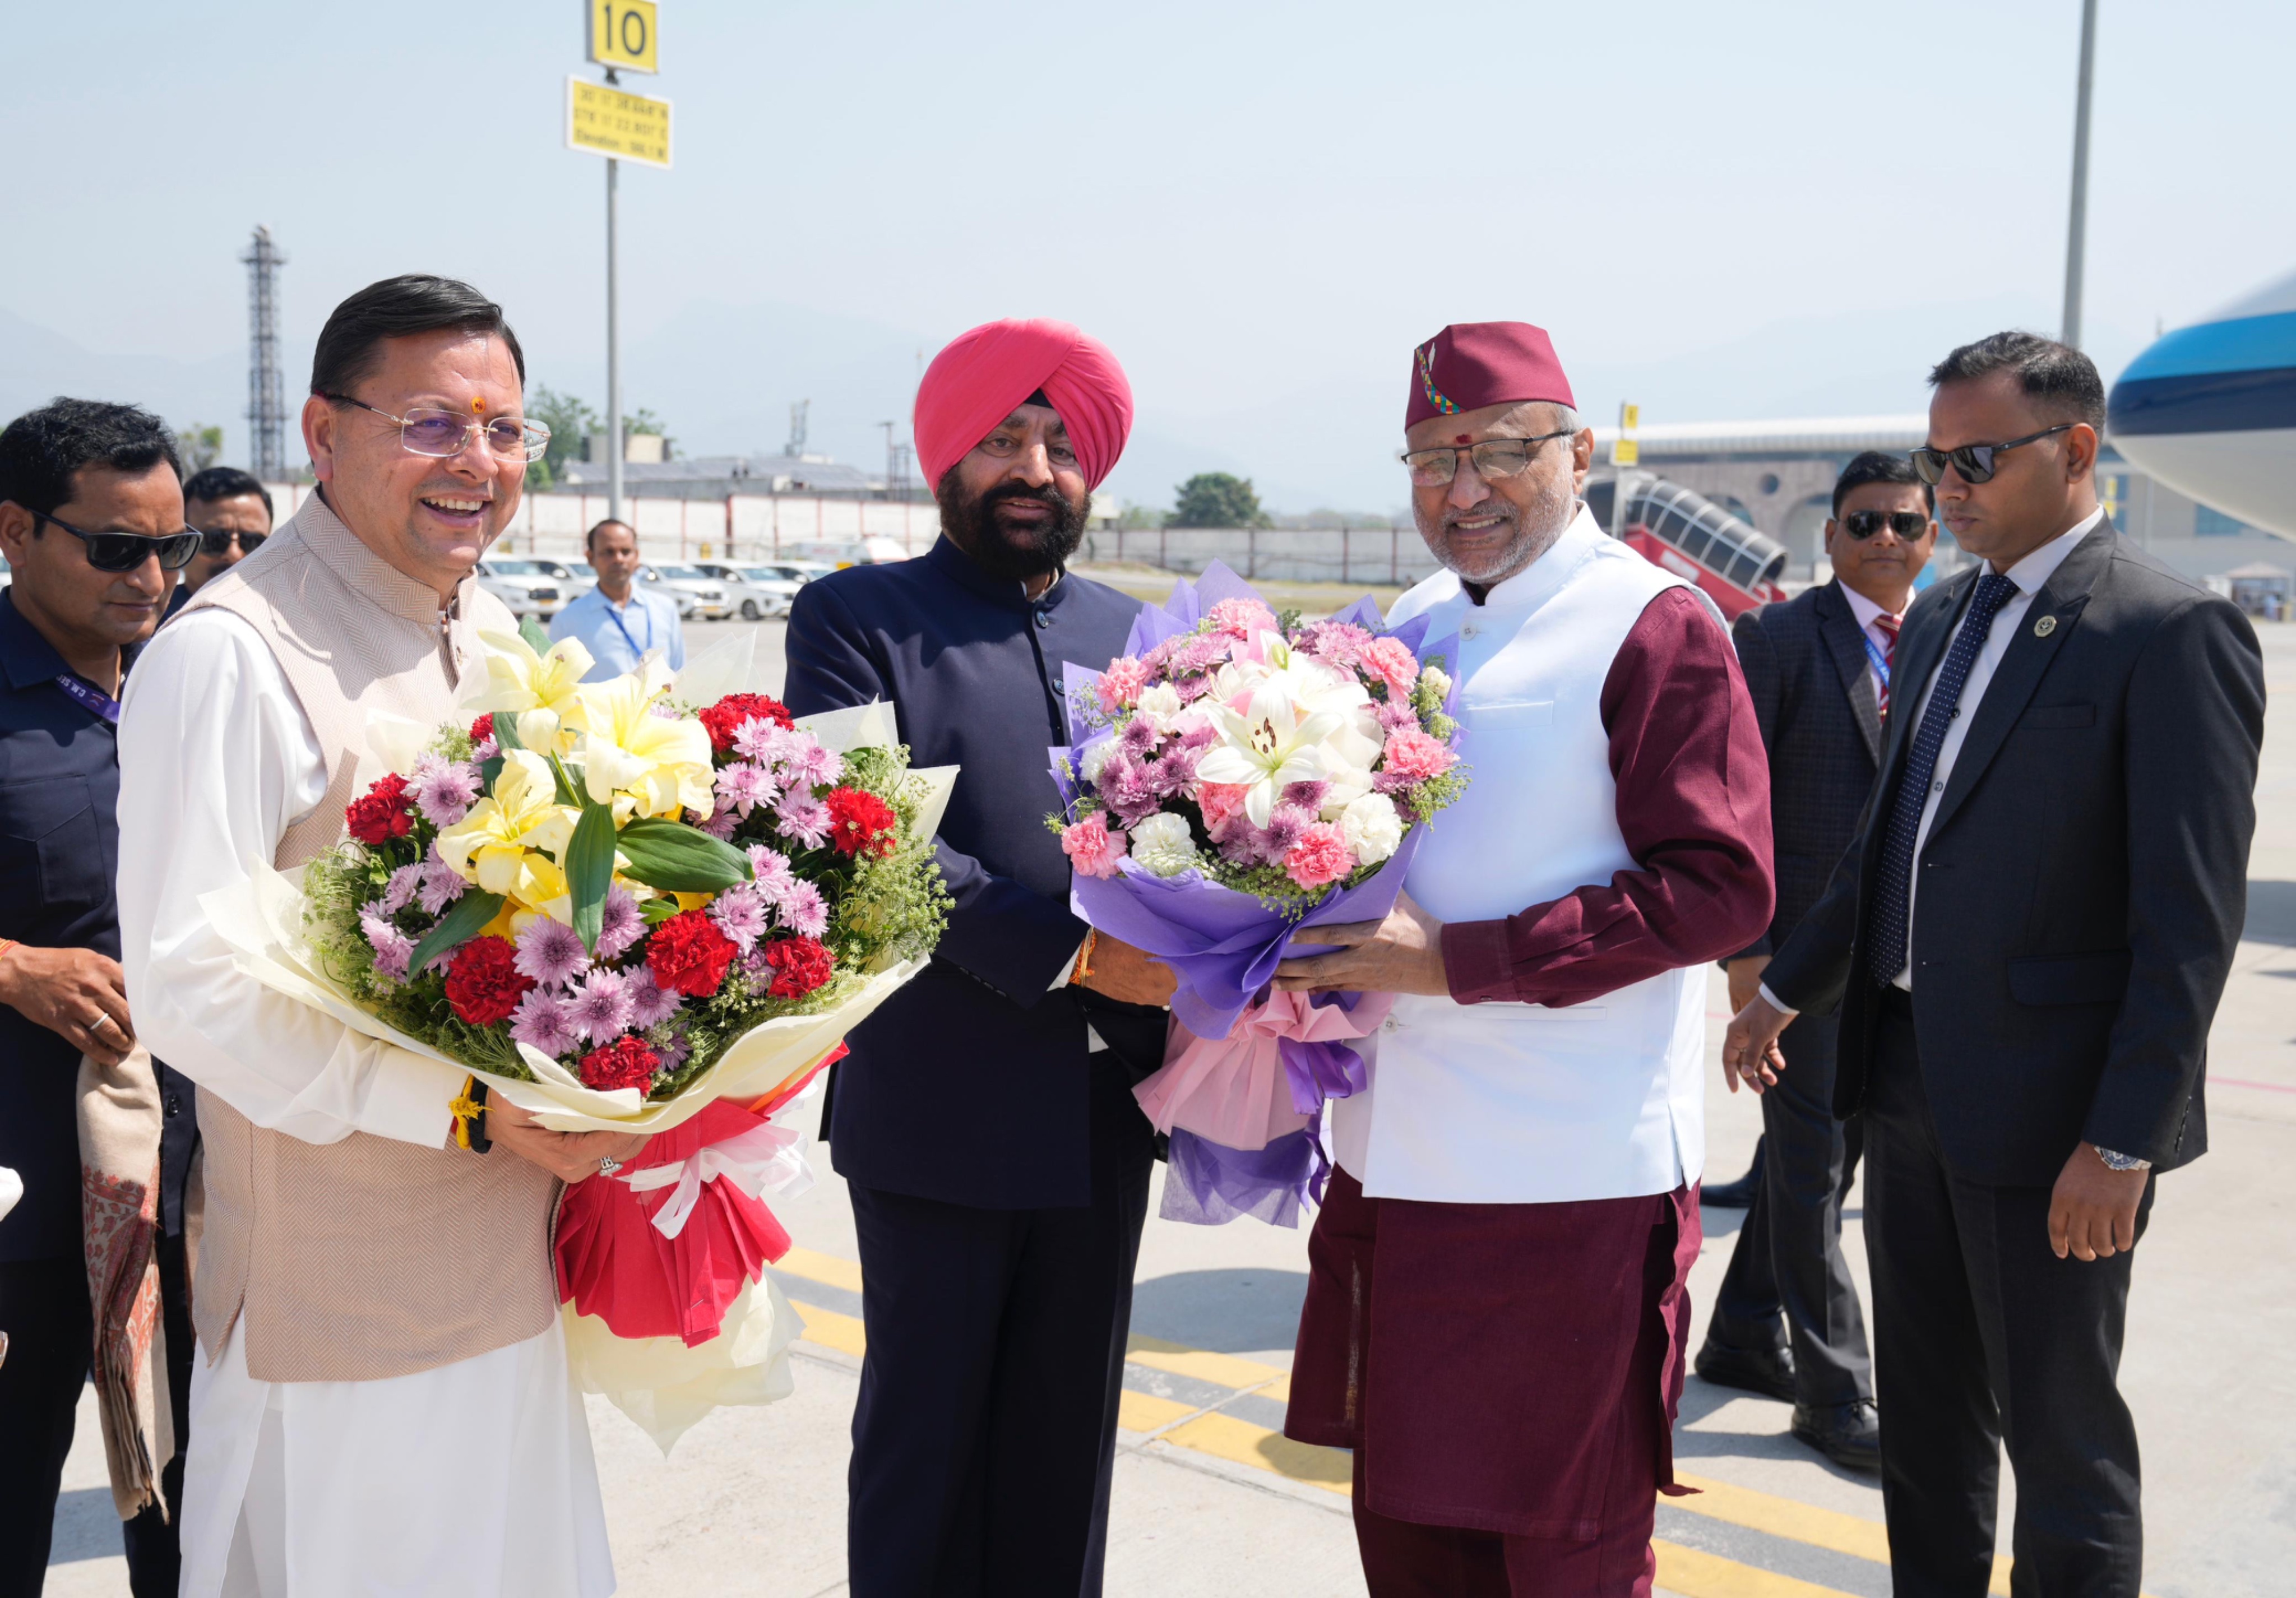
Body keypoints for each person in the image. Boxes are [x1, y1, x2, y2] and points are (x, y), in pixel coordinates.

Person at [117, 275, 632, 1597]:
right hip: (337, 1312)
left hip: (511, 1279)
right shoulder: (231, 655)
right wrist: (458, 1108)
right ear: (322, 430)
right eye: (430, 423)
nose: (478, 461)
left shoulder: (501, 631)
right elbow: (187, 987)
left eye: (506, 429)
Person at [1724, 331, 2262, 1596]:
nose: (1945, 489)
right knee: (1923, 1424)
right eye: (1934, 459)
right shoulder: (1953, 614)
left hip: (2054, 1118)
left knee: (2059, 1441)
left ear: (2075, 452)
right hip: (1905, 1084)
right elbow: (1886, 845)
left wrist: (2122, 1141)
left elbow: (2187, 927)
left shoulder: (2166, 631)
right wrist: (1785, 984)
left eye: (1974, 459)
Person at [1273, 322, 1775, 1597]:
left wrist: (1454, 962)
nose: (1466, 488)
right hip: (1396, 1173)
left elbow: (1719, 890)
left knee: (1563, 1562)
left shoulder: (1653, 625)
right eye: (1433, 459)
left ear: (1579, 451)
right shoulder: (1410, 620)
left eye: (1502, 451)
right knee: (1413, 1554)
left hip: (1569, 1186)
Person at [783, 317, 1177, 1597]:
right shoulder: (853, 617)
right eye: (1005, 437)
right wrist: (1074, 960)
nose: (1034, 466)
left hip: (1104, 1112)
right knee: (927, 1448)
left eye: (1061, 444)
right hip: (936, 1109)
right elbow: (858, 838)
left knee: (1065, 1451)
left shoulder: (1142, 634)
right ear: (947, 455)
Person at [1695, 450, 1938, 1471]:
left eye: (1906, 523)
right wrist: (1747, 956)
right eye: (1864, 522)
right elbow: (1729, 798)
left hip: (1904, 970)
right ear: (1828, 535)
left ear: (1935, 534)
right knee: (1808, 1177)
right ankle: (1838, 1397)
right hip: (1797, 966)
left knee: (1826, 1171)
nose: (1887, 539)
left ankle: (1744, 1334)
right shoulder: (1779, 637)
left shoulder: (1951, 637)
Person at [0, 399, 191, 1598]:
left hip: (184, 1180)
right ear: (15, 529)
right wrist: (11, 966)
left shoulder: (192, 686)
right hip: (19, 1194)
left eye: (169, 547)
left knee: (183, 1506)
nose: (154, 576)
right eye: (117, 547)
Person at [550, 516, 683, 680]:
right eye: (608, 552)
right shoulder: (567, 621)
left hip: (658, 706)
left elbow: (679, 670)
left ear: (637, 556)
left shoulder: (664, 608)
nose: (618, 559)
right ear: (591, 558)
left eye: (626, 552)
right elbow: (556, 682)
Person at [165, 466, 275, 617]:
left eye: (252, 542)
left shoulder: (290, 624)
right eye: (215, 541)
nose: (234, 554)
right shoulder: (151, 631)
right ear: (180, 544)